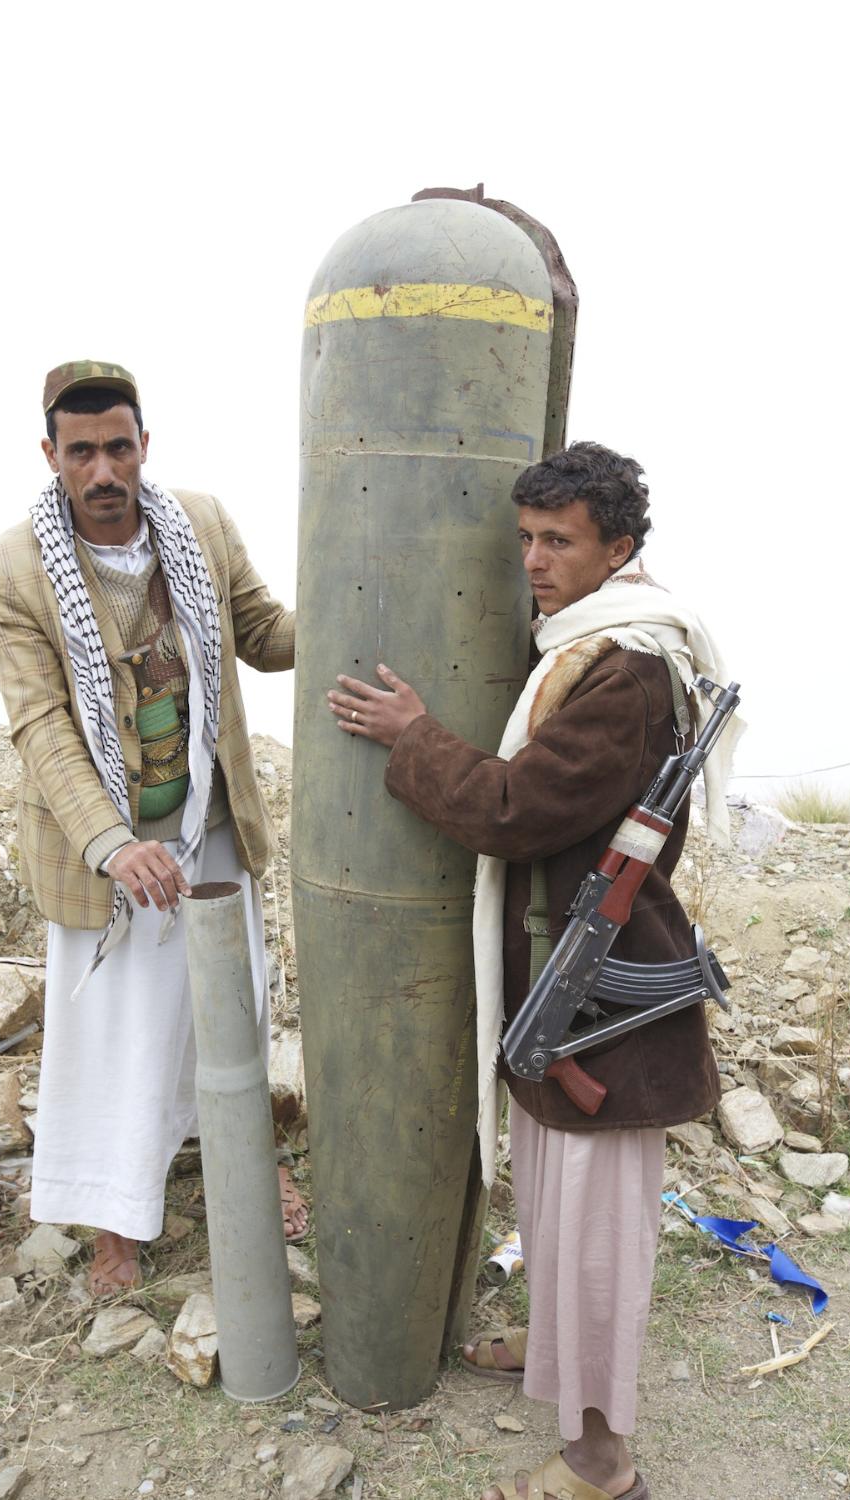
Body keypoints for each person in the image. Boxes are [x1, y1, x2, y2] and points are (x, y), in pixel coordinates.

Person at [327, 442, 738, 1500]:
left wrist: (415, 738)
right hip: (571, 972)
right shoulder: (582, 642)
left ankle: (602, 1463)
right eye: (525, 539)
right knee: (555, 1205)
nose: (535, 561)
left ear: (620, 547)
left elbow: (515, 811)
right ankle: (559, 1367)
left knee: (596, 1235)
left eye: (559, 541)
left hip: (608, 994)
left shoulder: (629, 665)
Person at [0, 360, 307, 1295]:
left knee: (226, 1006)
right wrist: (114, 846)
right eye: (82, 452)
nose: (104, 469)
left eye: (119, 446)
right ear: (53, 456)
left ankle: (250, 1163)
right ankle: (113, 1220)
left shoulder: (196, 524)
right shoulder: (9, 571)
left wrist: (360, 599)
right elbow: (40, 722)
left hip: (207, 824)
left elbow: (266, 636)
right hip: (104, 855)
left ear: (143, 445)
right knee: (113, 1039)